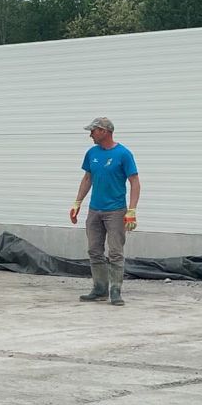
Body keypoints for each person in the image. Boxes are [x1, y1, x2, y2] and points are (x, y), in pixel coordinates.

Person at [70, 117, 141, 306]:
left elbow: (134, 181)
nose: (90, 135)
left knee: (116, 252)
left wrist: (132, 210)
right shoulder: (92, 153)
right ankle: (100, 289)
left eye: (93, 131)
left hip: (116, 211)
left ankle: (115, 291)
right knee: (94, 250)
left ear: (104, 131)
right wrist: (77, 202)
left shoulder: (123, 154)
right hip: (95, 210)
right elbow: (87, 179)